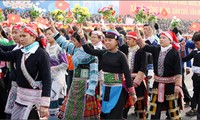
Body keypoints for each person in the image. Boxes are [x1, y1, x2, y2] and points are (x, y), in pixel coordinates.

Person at [80, 29, 137, 119]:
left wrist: (132, 93)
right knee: (105, 113)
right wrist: (82, 37)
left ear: (117, 41)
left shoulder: (121, 56)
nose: (107, 42)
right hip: (106, 87)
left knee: (115, 114)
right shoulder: (103, 53)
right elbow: (88, 50)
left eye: (110, 40)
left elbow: (127, 74)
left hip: (119, 89)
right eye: (105, 40)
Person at [50, 19, 101, 119]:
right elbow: (63, 42)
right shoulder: (75, 49)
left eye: (74, 41)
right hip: (75, 84)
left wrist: (91, 89)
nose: (72, 43)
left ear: (81, 41)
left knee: (84, 110)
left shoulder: (92, 54)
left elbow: (94, 72)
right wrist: (53, 28)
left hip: (86, 85)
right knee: (71, 107)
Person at [0, 23, 51, 119]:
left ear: (33, 37)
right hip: (19, 99)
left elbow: (47, 79)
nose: (21, 38)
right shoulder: (20, 52)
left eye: (24, 36)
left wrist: (44, 105)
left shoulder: (42, 54)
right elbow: (3, 55)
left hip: (34, 101)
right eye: (20, 36)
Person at [136, 27, 183, 119]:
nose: (161, 39)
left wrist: (178, 85)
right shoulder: (156, 49)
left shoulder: (174, 53)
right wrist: (138, 36)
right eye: (160, 38)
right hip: (157, 84)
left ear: (170, 40)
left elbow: (178, 70)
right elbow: (144, 46)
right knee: (154, 108)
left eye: (164, 38)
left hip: (170, 85)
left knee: (172, 108)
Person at [123, 31, 148, 119]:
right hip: (126, 80)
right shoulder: (125, 50)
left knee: (139, 102)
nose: (127, 41)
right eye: (127, 39)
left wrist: (136, 81)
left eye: (129, 39)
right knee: (125, 102)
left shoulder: (141, 51)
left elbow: (143, 67)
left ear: (135, 40)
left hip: (138, 81)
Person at [44, 27, 68, 118]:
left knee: (55, 101)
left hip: (58, 78)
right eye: (46, 34)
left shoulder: (59, 47)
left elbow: (65, 64)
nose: (47, 36)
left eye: (50, 34)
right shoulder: (47, 46)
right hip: (48, 78)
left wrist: (51, 68)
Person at [181, 32, 200, 119]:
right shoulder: (195, 52)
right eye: (195, 43)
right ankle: (194, 109)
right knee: (196, 94)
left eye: (197, 43)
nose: (195, 45)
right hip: (195, 77)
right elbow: (184, 59)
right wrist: (182, 49)